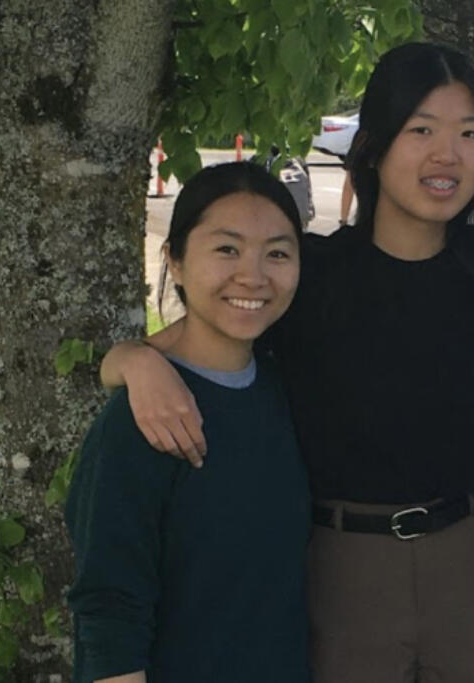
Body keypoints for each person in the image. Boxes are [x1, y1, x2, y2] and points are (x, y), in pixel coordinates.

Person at [100, 43, 474, 682]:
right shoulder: (312, 274)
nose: (446, 154)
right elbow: (203, 347)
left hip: (469, 559)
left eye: (469, 133)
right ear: (376, 143)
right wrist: (131, 362)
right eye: (421, 129)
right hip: (340, 569)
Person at [66, 162, 310, 682]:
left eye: (278, 253)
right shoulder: (141, 422)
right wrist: (134, 360)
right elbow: (109, 613)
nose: (253, 275)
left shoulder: (283, 387)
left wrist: (129, 355)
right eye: (227, 249)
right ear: (174, 260)